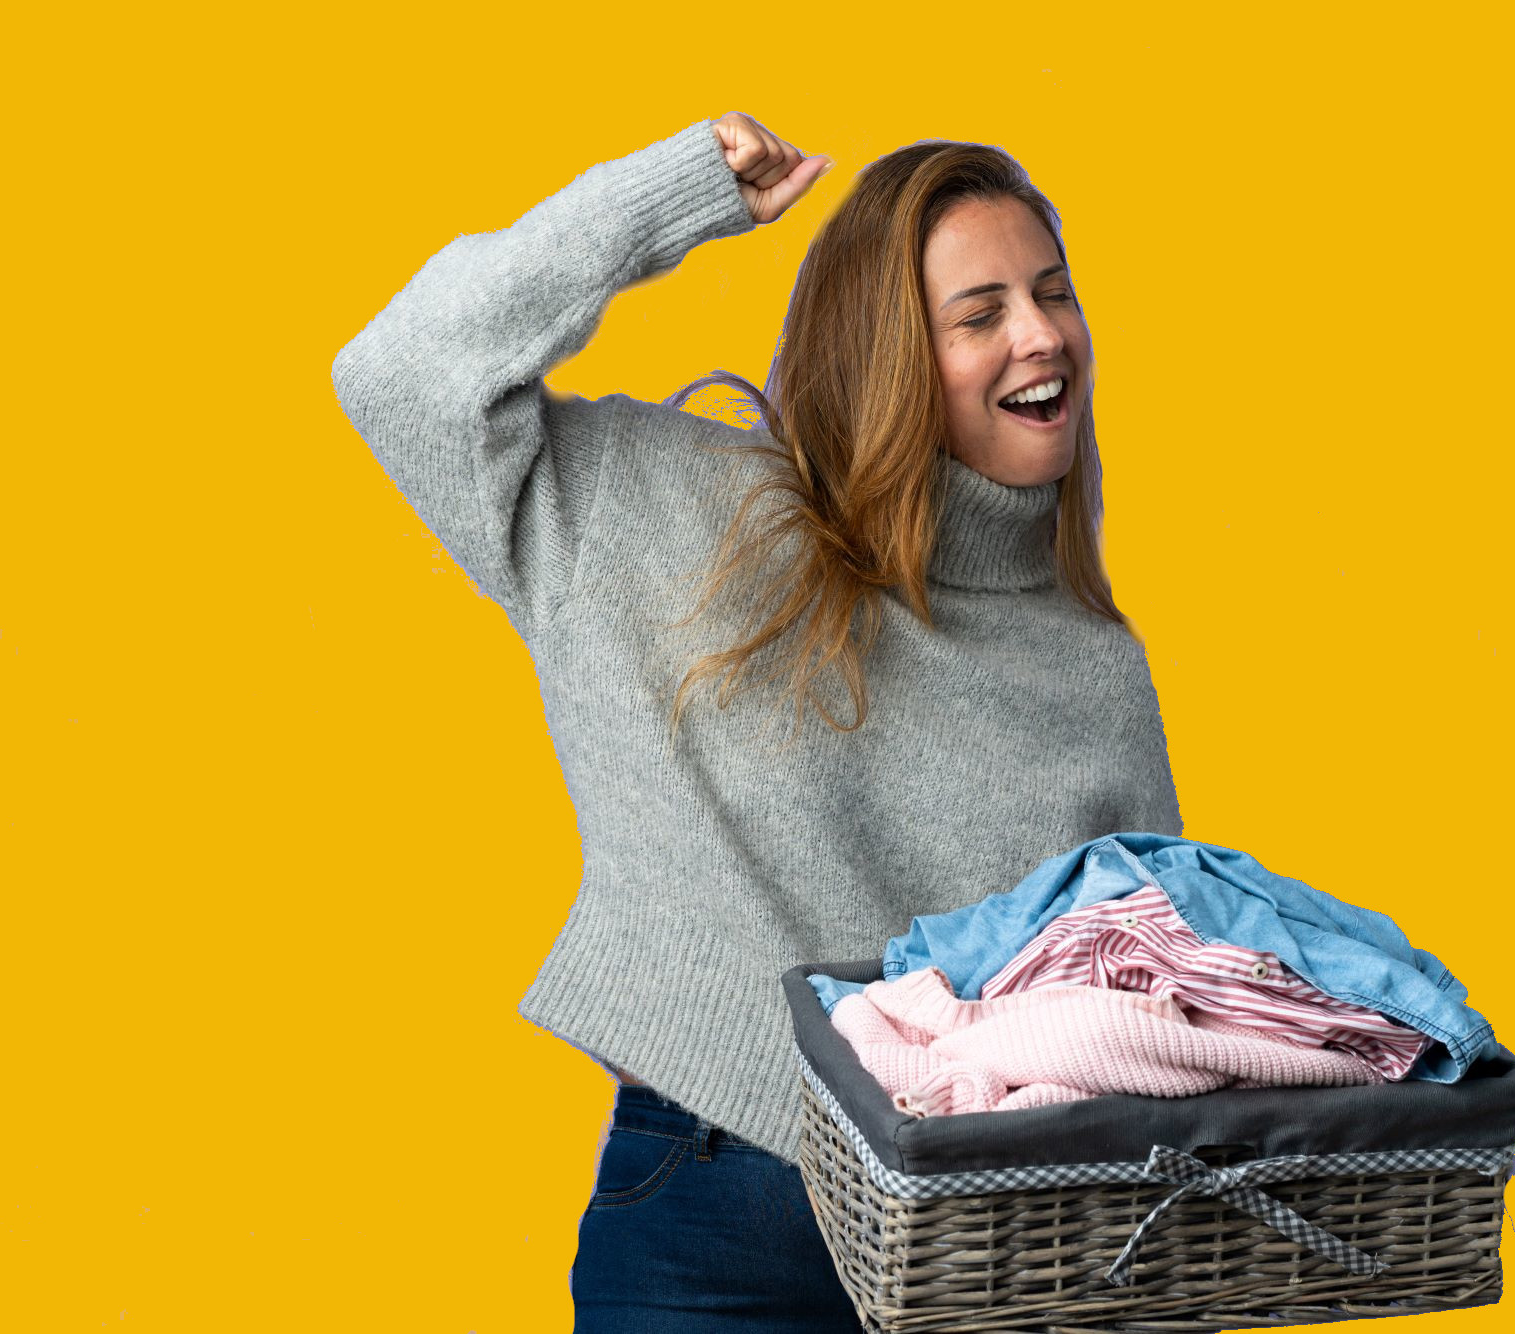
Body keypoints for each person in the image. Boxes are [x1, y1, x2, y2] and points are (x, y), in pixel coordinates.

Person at [329, 110, 1183, 1332]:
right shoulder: (677, 511)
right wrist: (662, 199)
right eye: (980, 311)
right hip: (710, 1234)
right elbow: (403, 370)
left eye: (1053, 293)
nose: (1043, 335)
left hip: (989, 1251)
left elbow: (1144, 1008)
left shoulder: (1093, 663)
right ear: (886, 350)